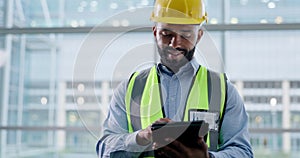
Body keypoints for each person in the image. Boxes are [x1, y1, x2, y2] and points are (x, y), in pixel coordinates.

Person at [96, 0, 253, 157]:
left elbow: (243, 152)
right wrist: (141, 138)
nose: (175, 43)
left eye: (185, 35)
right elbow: (106, 149)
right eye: (166, 34)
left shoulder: (223, 90)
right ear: (155, 32)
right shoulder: (131, 88)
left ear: (199, 36)